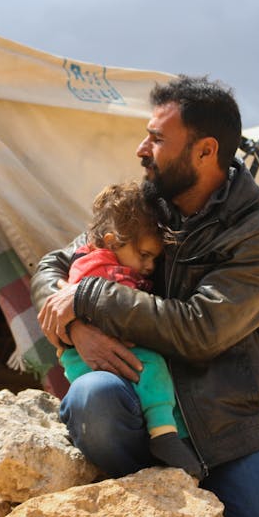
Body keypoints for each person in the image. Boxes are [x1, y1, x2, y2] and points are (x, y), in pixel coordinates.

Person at [33, 75, 259, 517]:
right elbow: (55, 265)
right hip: (137, 413)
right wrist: (76, 325)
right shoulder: (143, 207)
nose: (142, 149)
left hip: (224, 430)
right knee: (93, 397)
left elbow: (201, 329)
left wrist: (87, 300)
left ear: (206, 151)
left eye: (158, 138)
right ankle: (158, 497)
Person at [60, 180, 202, 478]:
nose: (150, 265)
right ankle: (164, 435)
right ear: (112, 241)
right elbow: (120, 313)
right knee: (153, 366)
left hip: (100, 356)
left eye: (155, 258)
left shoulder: (105, 260)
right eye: (144, 255)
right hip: (98, 356)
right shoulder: (99, 267)